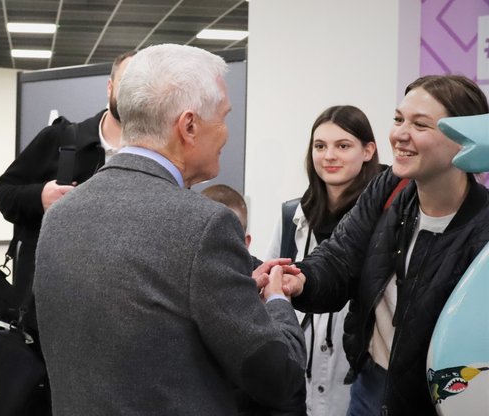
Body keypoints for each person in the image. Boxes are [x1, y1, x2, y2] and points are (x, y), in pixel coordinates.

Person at [34, 43, 306, 416]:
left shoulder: (59, 215)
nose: (226, 133)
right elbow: (279, 378)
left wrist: (233, 291)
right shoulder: (204, 226)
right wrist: (276, 301)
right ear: (189, 126)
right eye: (224, 117)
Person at [282, 75, 489, 415]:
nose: (400, 135)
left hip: (434, 400)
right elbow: (338, 257)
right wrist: (302, 278)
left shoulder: (482, 229)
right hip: (370, 386)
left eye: (420, 125)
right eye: (398, 119)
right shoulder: (388, 189)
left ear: (463, 141)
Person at [264, 105, 381, 416]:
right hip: (299, 376)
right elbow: (271, 295)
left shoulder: (385, 221)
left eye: (343, 146)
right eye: (320, 146)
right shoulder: (292, 216)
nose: (329, 156)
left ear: (368, 151)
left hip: (356, 380)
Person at [0, 49, 135, 307]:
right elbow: (5, 192)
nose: (133, 92)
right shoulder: (59, 139)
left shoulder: (154, 157)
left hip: (120, 304)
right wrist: (40, 197)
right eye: (127, 81)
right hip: (49, 304)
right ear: (110, 87)